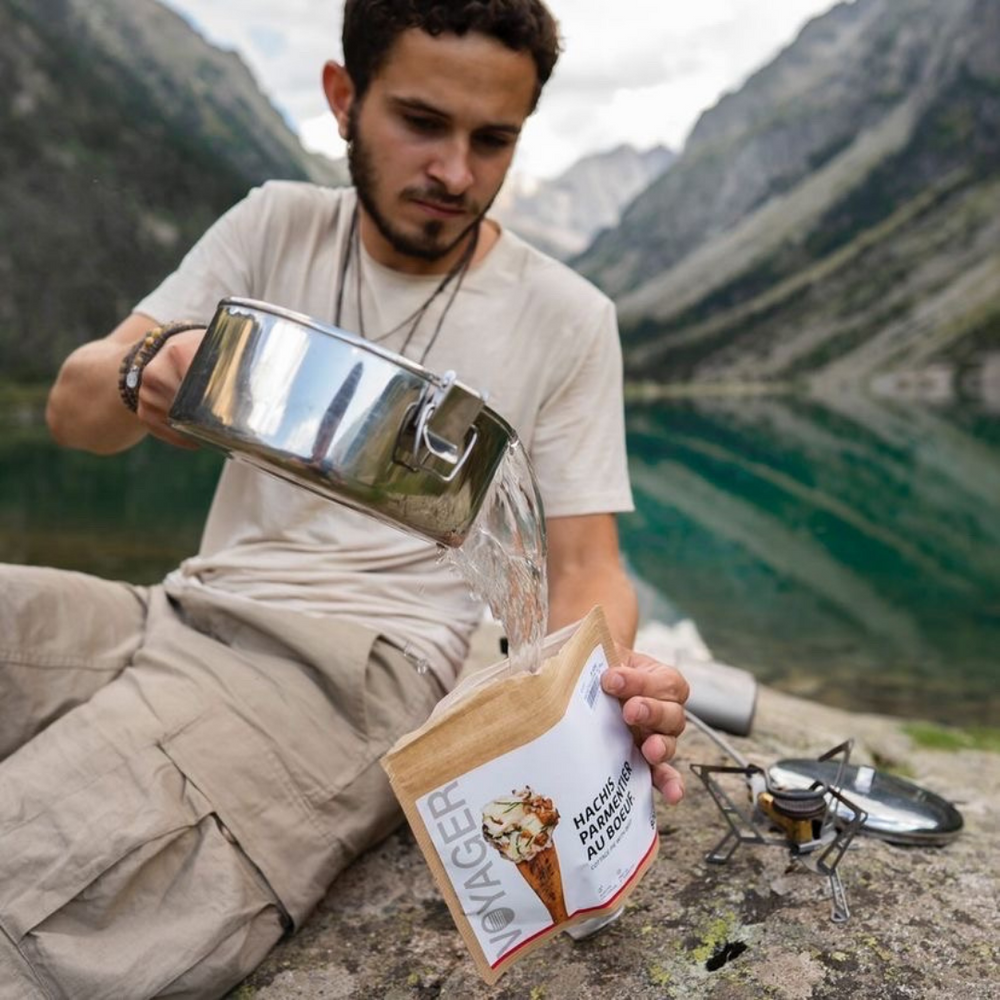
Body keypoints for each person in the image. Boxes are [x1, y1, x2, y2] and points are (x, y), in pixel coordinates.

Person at [0, 1, 689, 997]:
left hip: (357, 674)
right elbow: (76, 409)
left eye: (493, 139)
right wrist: (142, 368)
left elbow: (587, 567)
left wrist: (600, 689)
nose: (457, 172)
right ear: (343, 98)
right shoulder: (274, 222)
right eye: (421, 122)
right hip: (174, 609)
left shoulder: (569, 319)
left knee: (41, 851)